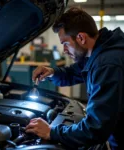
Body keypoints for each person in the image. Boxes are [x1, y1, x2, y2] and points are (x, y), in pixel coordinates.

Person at [25, 6, 124, 150]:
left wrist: (52, 132)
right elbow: (74, 73)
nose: (64, 50)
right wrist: (52, 72)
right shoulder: (100, 51)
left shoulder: (107, 64)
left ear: (81, 38)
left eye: (65, 43)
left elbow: (96, 129)